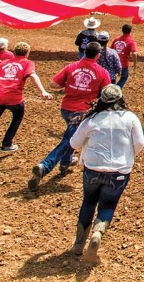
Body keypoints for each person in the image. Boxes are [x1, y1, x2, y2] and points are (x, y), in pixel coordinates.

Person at [69, 84, 144, 261]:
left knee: (88, 202)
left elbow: (74, 143)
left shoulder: (92, 118)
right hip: (119, 171)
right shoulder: (130, 118)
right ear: (120, 99)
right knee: (108, 205)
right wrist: (128, 155)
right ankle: (97, 233)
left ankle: (79, 243)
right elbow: (140, 143)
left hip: (93, 168)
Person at [27, 41, 110, 191]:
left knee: (71, 135)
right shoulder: (102, 72)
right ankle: (44, 166)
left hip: (66, 108)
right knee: (69, 140)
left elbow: (53, 84)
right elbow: (106, 94)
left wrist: (71, 84)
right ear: (98, 56)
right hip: (82, 111)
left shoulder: (71, 67)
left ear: (84, 52)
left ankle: (65, 163)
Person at [0, 42, 53, 170]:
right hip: (14, 99)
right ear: (27, 53)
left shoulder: (4, 63)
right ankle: (7, 143)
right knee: (17, 116)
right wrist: (43, 91)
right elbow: (33, 75)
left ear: (14, 52)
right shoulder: (27, 63)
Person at [111, 24, 138, 88]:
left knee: (113, 78)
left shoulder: (116, 39)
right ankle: (116, 90)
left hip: (114, 62)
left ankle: (111, 89)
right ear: (130, 31)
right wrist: (134, 64)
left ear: (122, 30)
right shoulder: (132, 41)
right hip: (124, 64)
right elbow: (134, 53)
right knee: (124, 77)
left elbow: (111, 50)